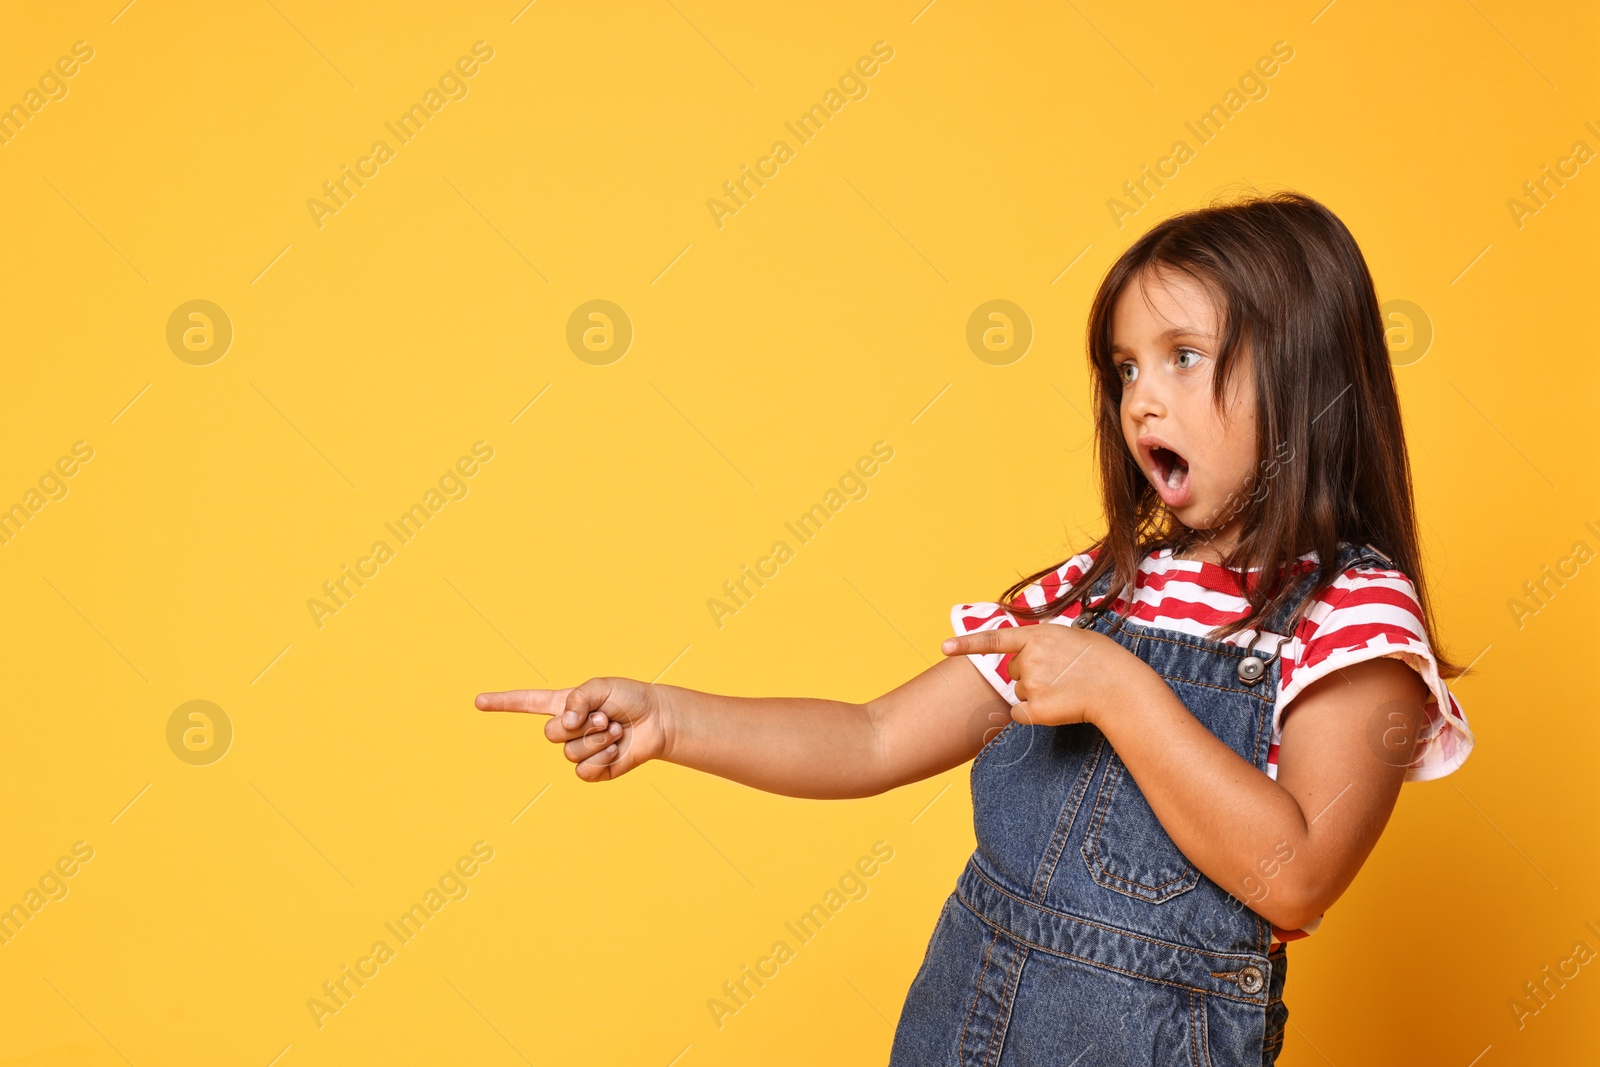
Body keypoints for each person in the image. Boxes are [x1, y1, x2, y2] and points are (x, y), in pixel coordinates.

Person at [475, 190, 1475, 1065]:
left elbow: (1293, 877)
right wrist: (672, 718)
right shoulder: (1099, 588)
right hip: (964, 1020)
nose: (1141, 400)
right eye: (1123, 368)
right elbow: (872, 736)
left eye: (1181, 357)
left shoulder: (1354, 617)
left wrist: (1119, 689)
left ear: (1306, 382)